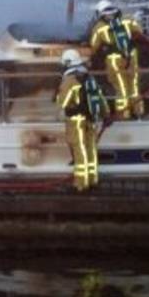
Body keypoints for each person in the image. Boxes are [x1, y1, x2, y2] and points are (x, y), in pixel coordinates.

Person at [54, 49, 110, 191]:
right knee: (90, 148)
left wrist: (58, 94)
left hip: (76, 120)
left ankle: (81, 184)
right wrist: (106, 114)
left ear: (67, 64)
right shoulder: (88, 77)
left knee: (79, 150)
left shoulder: (70, 80)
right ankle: (93, 180)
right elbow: (100, 97)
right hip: (91, 118)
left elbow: (63, 102)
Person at [88, 0, 146, 119]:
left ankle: (124, 115)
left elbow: (93, 46)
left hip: (114, 60)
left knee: (121, 88)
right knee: (134, 87)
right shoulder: (128, 20)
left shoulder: (99, 27)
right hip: (131, 56)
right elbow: (140, 31)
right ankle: (138, 113)